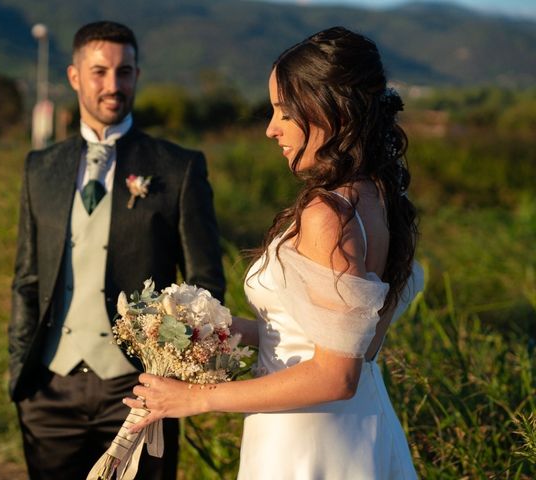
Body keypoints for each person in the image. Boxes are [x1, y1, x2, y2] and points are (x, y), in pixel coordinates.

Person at [124, 26, 424, 479]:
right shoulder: (376, 198)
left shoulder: (330, 214)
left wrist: (195, 399)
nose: (270, 129)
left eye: (284, 112)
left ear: (329, 109)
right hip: (356, 425)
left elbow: (336, 374)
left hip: (309, 438)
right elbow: (320, 336)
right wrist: (212, 333)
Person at [8, 20, 225, 480]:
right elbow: (27, 279)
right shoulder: (39, 168)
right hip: (49, 394)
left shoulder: (178, 168)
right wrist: (20, 379)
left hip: (139, 392)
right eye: (100, 71)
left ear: (136, 75)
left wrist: (171, 373)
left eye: (124, 72)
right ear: (74, 77)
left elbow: (205, 285)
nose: (113, 85)